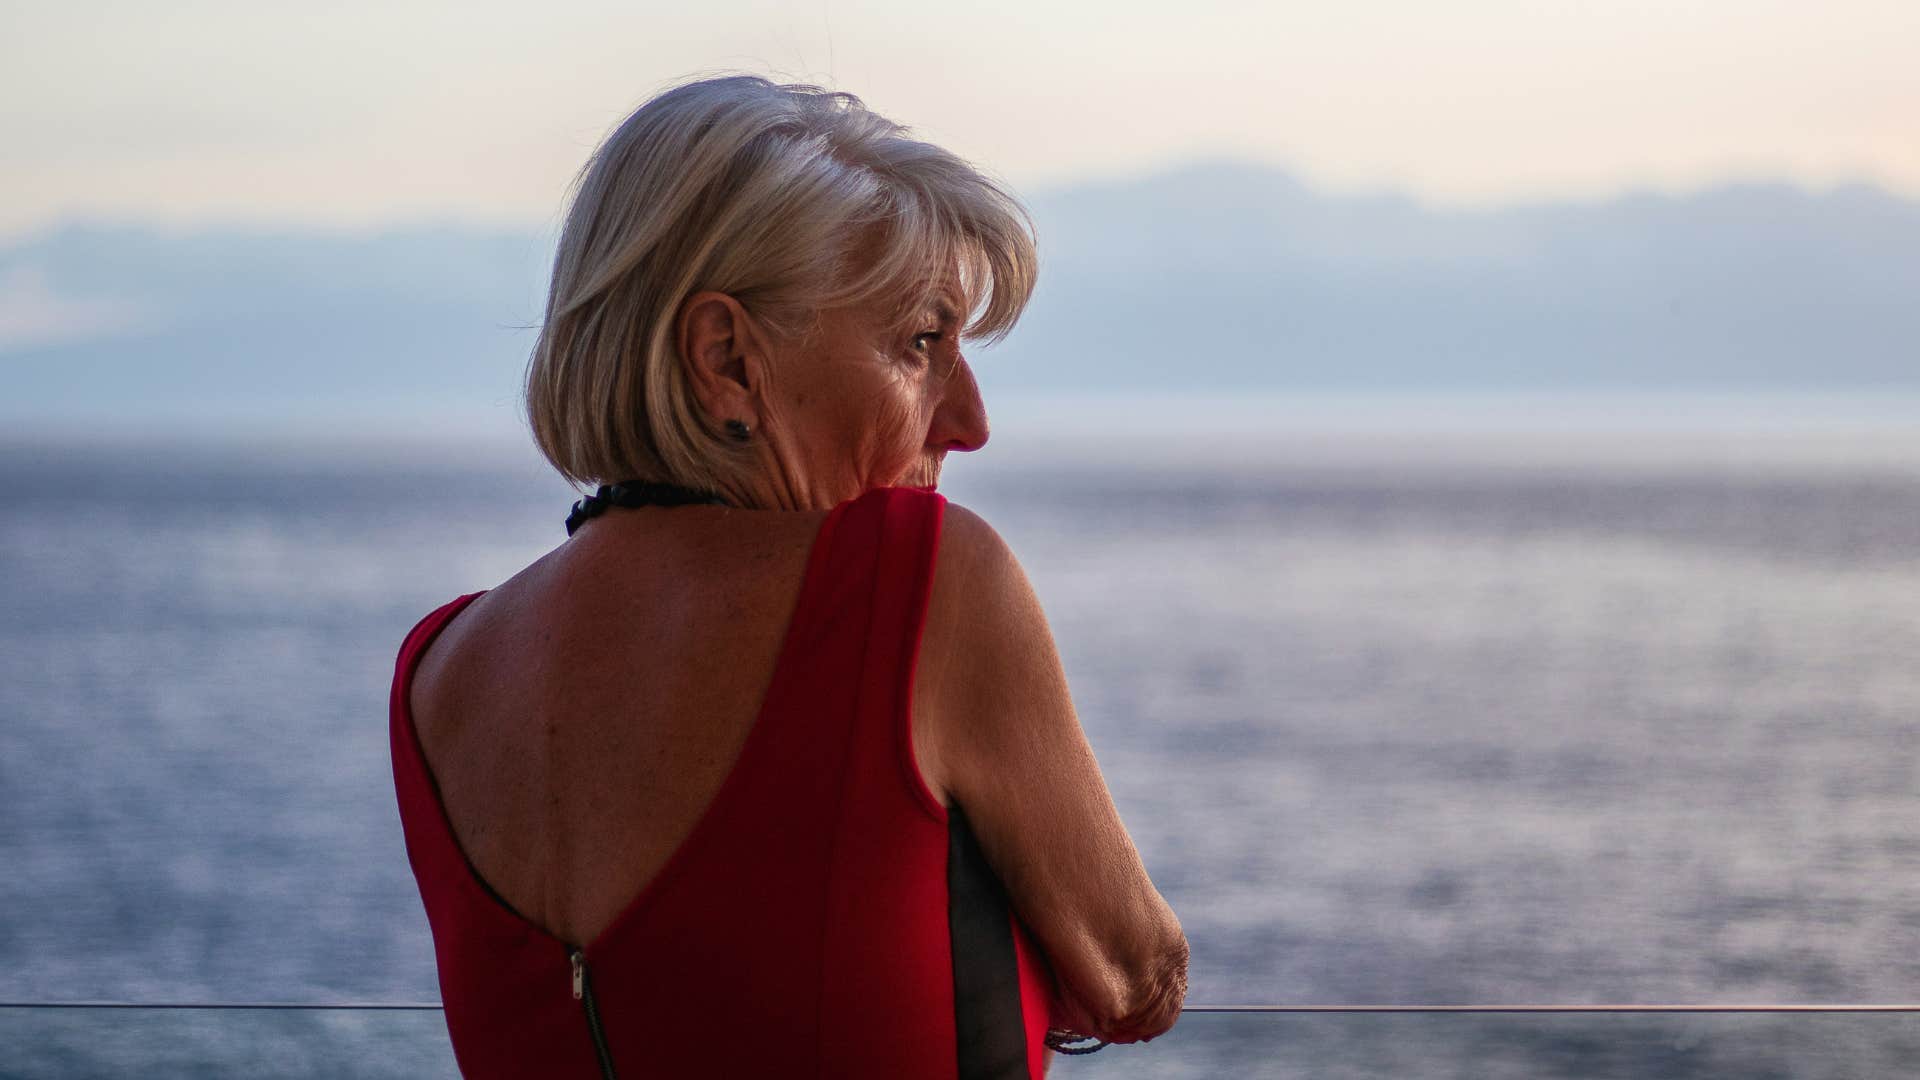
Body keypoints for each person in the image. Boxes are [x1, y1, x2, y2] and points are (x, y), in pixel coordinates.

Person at [389, 73, 1187, 1078]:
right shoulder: (917, 581)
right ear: (727, 360)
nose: (970, 422)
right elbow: (1136, 978)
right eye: (922, 342)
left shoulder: (440, 674)